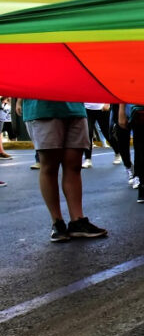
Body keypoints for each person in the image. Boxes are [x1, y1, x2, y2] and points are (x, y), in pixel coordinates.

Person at [16, 98, 107, 241]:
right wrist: (20, 99)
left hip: (74, 107)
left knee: (74, 165)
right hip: (42, 107)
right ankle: (57, 222)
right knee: (50, 166)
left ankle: (77, 221)